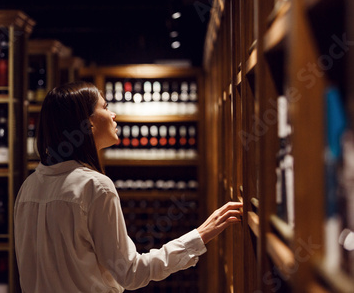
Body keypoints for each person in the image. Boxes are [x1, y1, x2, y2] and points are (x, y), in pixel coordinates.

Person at [14, 81, 242, 293]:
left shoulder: (28, 187)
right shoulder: (95, 187)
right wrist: (198, 237)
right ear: (89, 123)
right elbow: (130, 272)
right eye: (105, 106)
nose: (113, 114)